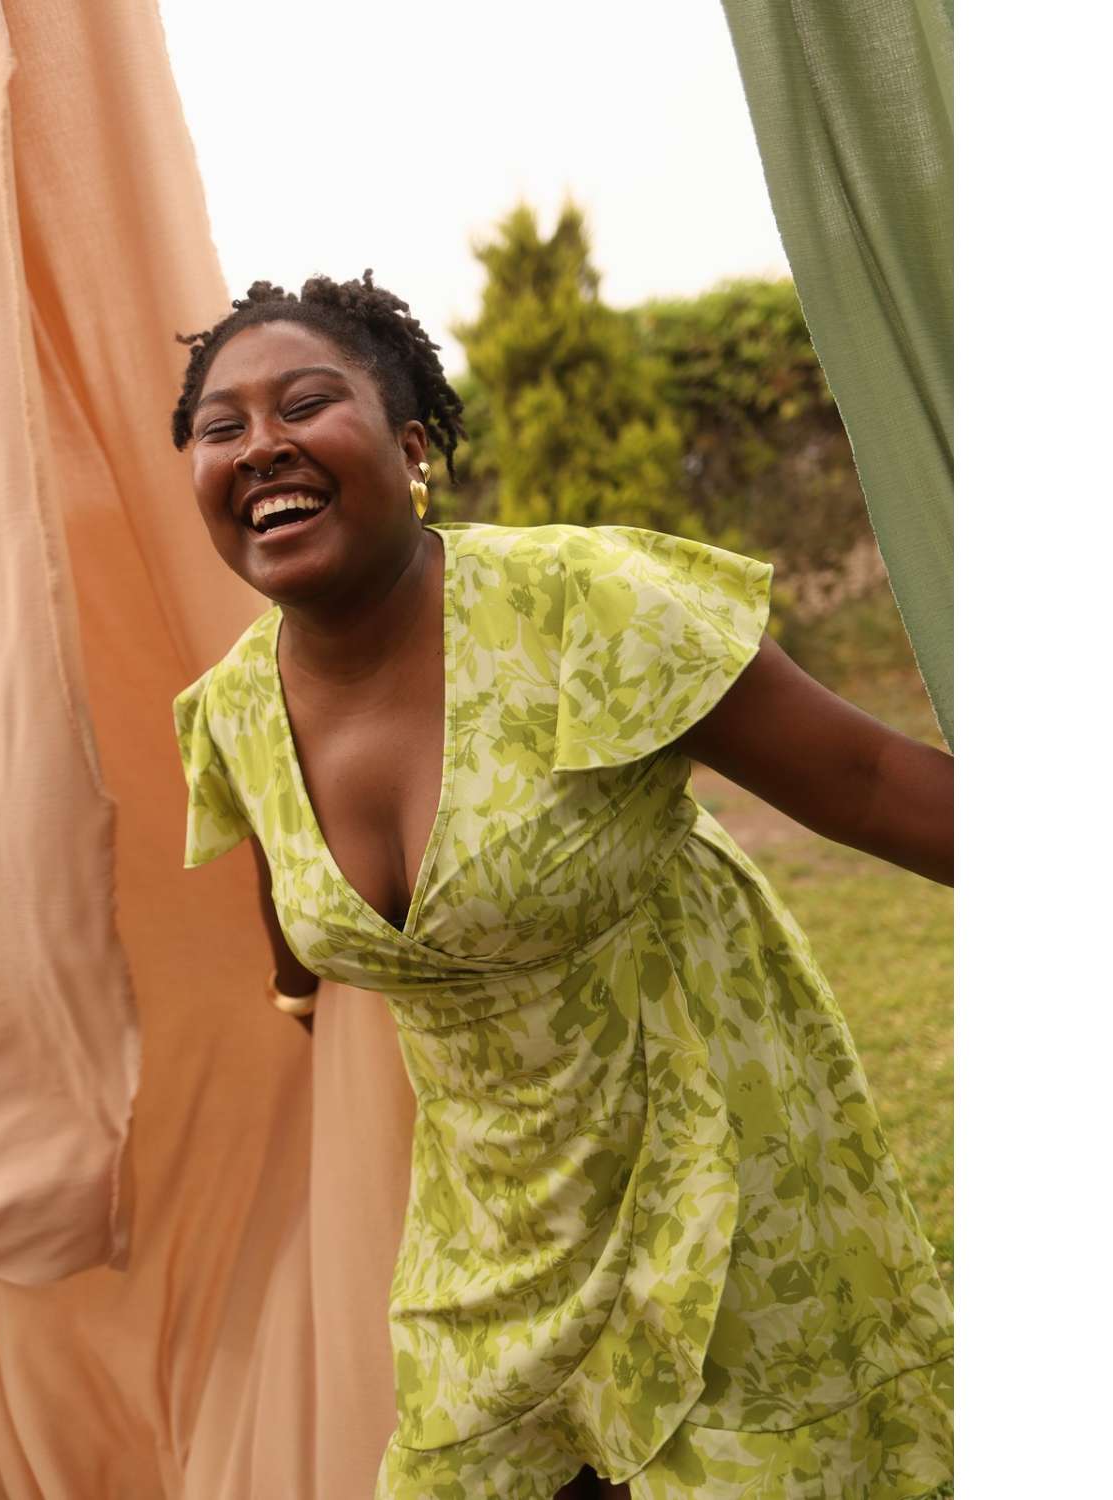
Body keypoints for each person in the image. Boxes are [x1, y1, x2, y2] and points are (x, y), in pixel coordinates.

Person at [170, 272, 953, 1500]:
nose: (262, 443)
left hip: (718, 1184)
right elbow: (290, 902)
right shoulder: (232, 715)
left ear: (412, 448)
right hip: (493, 1246)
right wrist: (294, 998)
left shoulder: (577, 607)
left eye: (307, 404)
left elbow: (867, 778)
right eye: (223, 427)